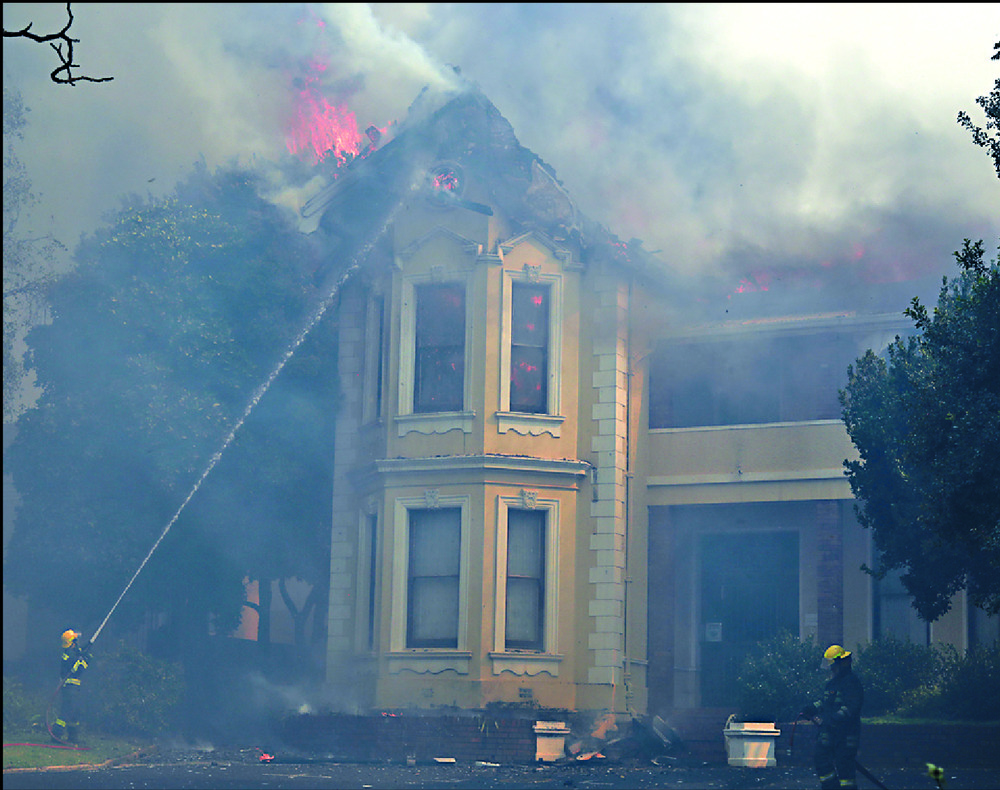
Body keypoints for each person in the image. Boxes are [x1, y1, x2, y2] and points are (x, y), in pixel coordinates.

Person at [800, 644, 864, 790]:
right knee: (820, 758)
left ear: (842, 663)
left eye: (833, 665)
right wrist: (812, 708)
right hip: (829, 732)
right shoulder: (832, 684)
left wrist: (833, 719)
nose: (831, 669)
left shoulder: (852, 682)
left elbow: (851, 707)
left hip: (846, 734)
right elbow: (824, 702)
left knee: (845, 768)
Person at [54, 629, 90, 743]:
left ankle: (73, 737)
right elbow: (80, 669)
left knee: (74, 713)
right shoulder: (71, 656)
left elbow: (78, 656)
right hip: (70, 689)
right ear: (73, 643)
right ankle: (56, 735)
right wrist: (86, 658)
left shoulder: (70, 653)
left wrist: (84, 651)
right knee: (67, 711)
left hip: (72, 688)